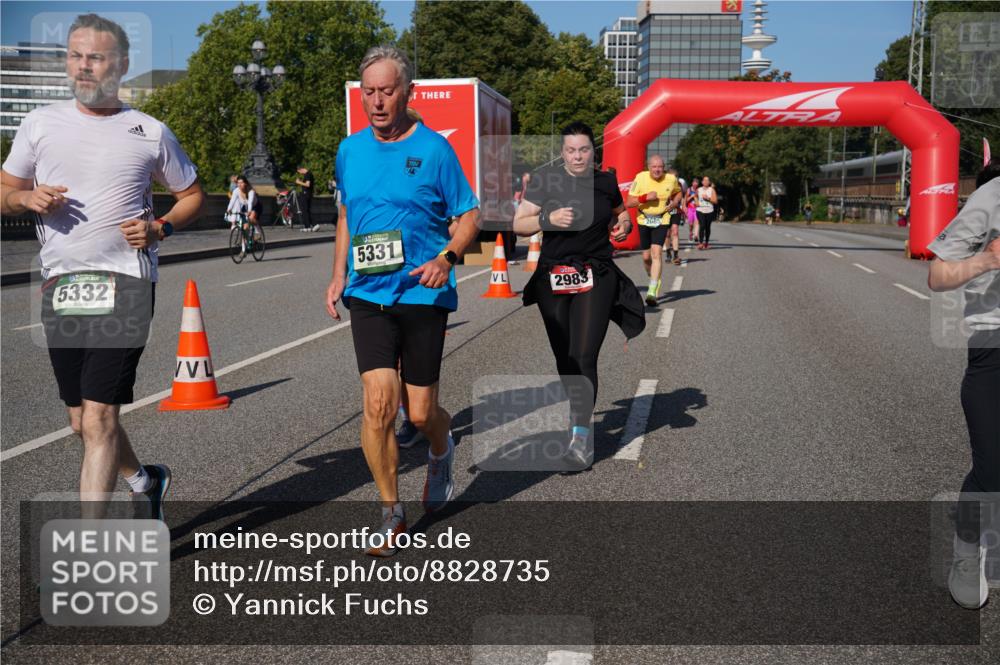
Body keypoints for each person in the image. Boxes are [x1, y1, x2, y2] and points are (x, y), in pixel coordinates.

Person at [0, 13, 204, 519]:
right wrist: (25, 199)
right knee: (80, 420)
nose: (83, 66)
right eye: (75, 55)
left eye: (95, 57)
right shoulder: (39, 124)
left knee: (99, 418)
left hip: (126, 282)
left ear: (122, 64)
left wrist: (160, 228)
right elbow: (4, 191)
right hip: (62, 284)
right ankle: (144, 480)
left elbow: (192, 195)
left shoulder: (149, 131)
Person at [326, 46, 480, 556]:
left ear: (407, 92)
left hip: (421, 290)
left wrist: (448, 258)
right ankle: (391, 511)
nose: (376, 101)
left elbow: (469, 215)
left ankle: (440, 446)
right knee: (377, 404)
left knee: (419, 413)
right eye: (368, 92)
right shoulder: (350, 150)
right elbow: (346, 217)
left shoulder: (435, 150)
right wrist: (337, 276)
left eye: (386, 91)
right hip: (367, 292)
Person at [514, 121, 645, 470]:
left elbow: (621, 215)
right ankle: (578, 412)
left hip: (596, 274)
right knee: (565, 358)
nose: (577, 156)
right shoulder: (546, 180)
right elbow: (519, 224)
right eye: (571, 150)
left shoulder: (605, 183)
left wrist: (624, 225)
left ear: (593, 152)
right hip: (553, 276)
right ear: (562, 153)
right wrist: (547, 217)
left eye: (583, 150)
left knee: (584, 354)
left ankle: (581, 435)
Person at [927, 154, 1000, 610]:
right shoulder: (992, 197)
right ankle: (967, 550)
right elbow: (937, 276)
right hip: (995, 346)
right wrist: (988, 259)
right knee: (993, 471)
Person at [625, 155, 681, 306]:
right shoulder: (640, 178)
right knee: (646, 257)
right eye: (654, 167)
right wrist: (645, 198)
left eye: (660, 167)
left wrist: (675, 202)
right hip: (644, 219)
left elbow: (678, 192)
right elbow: (629, 202)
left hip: (662, 219)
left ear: (664, 168)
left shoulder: (670, 179)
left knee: (657, 253)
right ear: (648, 167)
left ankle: (652, 290)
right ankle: (653, 278)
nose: (657, 170)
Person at [662, 167, 686, 266]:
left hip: (676, 210)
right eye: (672, 177)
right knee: (667, 234)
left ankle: (676, 255)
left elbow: (682, 196)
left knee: (675, 231)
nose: (674, 179)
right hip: (665, 211)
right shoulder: (662, 184)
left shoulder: (679, 184)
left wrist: (683, 206)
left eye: (676, 177)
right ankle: (668, 253)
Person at [696, 176, 718, 250]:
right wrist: (696, 202)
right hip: (700, 210)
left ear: (709, 182)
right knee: (702, 225)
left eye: (707, 180)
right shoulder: (698, 189)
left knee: (707, 227)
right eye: (704, 180)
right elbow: (695, 196)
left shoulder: (712, 190)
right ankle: (700, 243)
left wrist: (708, 199)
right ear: (702, 182)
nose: (706, 182)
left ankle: (706, 243)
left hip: (709, 210)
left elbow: (715, 201)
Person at [295, 165, 317, 232]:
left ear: (300, 169)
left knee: (304, 210)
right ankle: (311, 225)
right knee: (306, 210)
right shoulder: (308, 174)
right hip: (308, 194)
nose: (300, 173)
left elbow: (308, 184)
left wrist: (299, 182)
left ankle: (308, 226)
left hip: (306, 194)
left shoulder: (307, 174)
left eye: (299, 172)